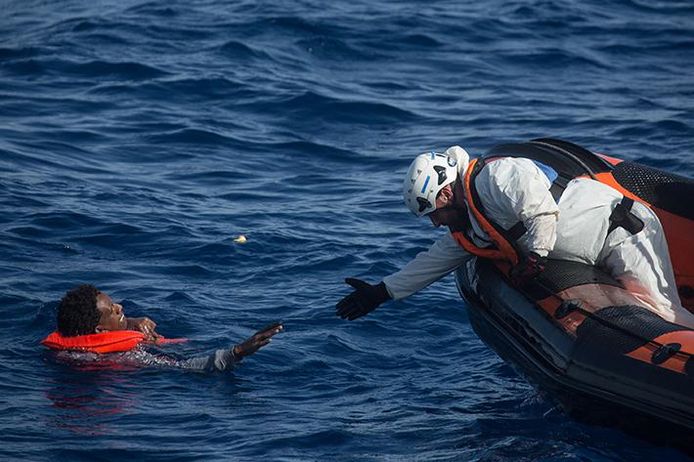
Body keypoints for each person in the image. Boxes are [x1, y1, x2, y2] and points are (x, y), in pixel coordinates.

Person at [336, 145, 694, 327]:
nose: (435, 223)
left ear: (445, 194)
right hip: (593, 252)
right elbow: (436, 260)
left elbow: (542, 212)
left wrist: (534, 258)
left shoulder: (498, 177)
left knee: (661, 313)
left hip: (622, 233)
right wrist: (381, 292)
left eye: (435, 214)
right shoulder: (473, 223)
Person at [45, 284, 283, 371]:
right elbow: (184, 367)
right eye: (113, 309)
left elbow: (112, 328)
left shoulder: (69, 344)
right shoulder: (125, 356)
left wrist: (130, 323)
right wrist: (237, 352)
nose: (119, 306)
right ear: (99, 331)